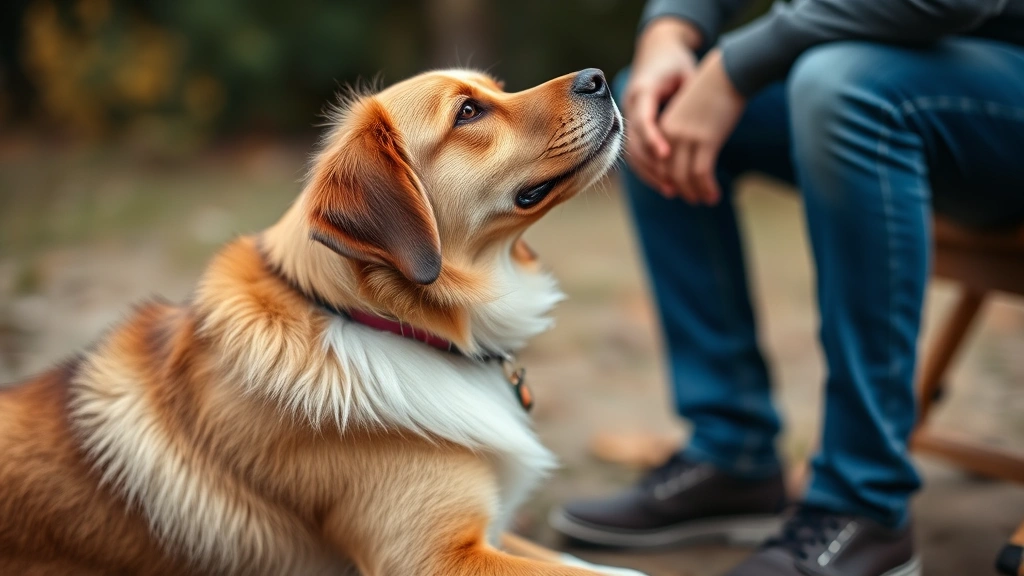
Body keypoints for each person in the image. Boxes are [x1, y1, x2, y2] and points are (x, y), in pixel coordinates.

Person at [549, 1, 1024, 575]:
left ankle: (864, 502)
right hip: (915, 61)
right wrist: (668, 31)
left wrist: (735, 66)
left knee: (844, 86)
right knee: (660, 101)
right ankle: (733, 453)